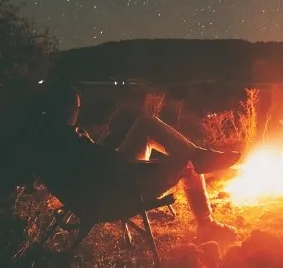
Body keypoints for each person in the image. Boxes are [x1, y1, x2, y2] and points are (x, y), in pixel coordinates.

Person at [33, 80, 241, 245]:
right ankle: (207, 224)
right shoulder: (68, 138)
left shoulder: (48, 134)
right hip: (120, 191)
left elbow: (92, 162)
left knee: (145, 123)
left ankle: (198, 155)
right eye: (77, 107)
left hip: (103, 185)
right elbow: (104, 162)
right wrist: (143, 167)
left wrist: (99, 143)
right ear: (66, 108)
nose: (79, 112)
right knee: (188, 161)